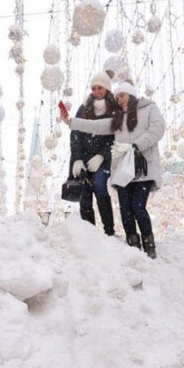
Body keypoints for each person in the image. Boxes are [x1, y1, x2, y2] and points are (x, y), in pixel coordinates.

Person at [62, 80, 165, 258]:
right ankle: (133, 244)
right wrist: (70, 122)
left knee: (138, 208)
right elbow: (95, 126)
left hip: (143, 169)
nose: (119, 100)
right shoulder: (118, 119)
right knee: (125, 210)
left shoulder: (149, 109)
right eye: (117, 97)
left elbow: (158, 129)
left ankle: (149, 244)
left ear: (131, 95)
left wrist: (135, 145)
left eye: (122, 95)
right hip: (123, 171)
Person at [68, 70, 118, 236]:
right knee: (84, 194)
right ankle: (90, 235)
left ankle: (109, 232)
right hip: (83, 158)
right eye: (94, 88)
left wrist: (102, 155)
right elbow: (75, 134)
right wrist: (77, 159)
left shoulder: (114, 110)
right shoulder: (83, 109)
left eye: (100, 88)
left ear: (107, 89)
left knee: (99, 187)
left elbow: (114, 137)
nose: (97, 92)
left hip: (102, 159)